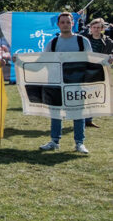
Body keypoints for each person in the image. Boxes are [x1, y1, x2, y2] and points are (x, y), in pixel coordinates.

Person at [39, 12, 93, 154]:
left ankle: (79, 143)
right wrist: (19, 60)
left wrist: (107, 61)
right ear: (58, 25)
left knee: (78, 114)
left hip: (77, 84)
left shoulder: (83, 41)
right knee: (56, 113)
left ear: (73, 24)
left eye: (68, 22)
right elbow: (41, 61)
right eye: (62, 22)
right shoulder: (53, 42)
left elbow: (92, 61)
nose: (65, 24)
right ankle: (54, 141)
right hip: (57, 84)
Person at [83, 18, 113, 128]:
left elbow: (111, 54)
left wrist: (111, 58)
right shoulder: (84, 39)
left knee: (94, 96)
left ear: (102, 29)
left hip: (99, 71)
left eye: (98, 28)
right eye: (94, 27)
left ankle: (89, 120)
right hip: (84, 71)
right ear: (90, 28)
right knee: (83, 96)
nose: (96, 29)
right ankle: (81, 119)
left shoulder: (108, 41)